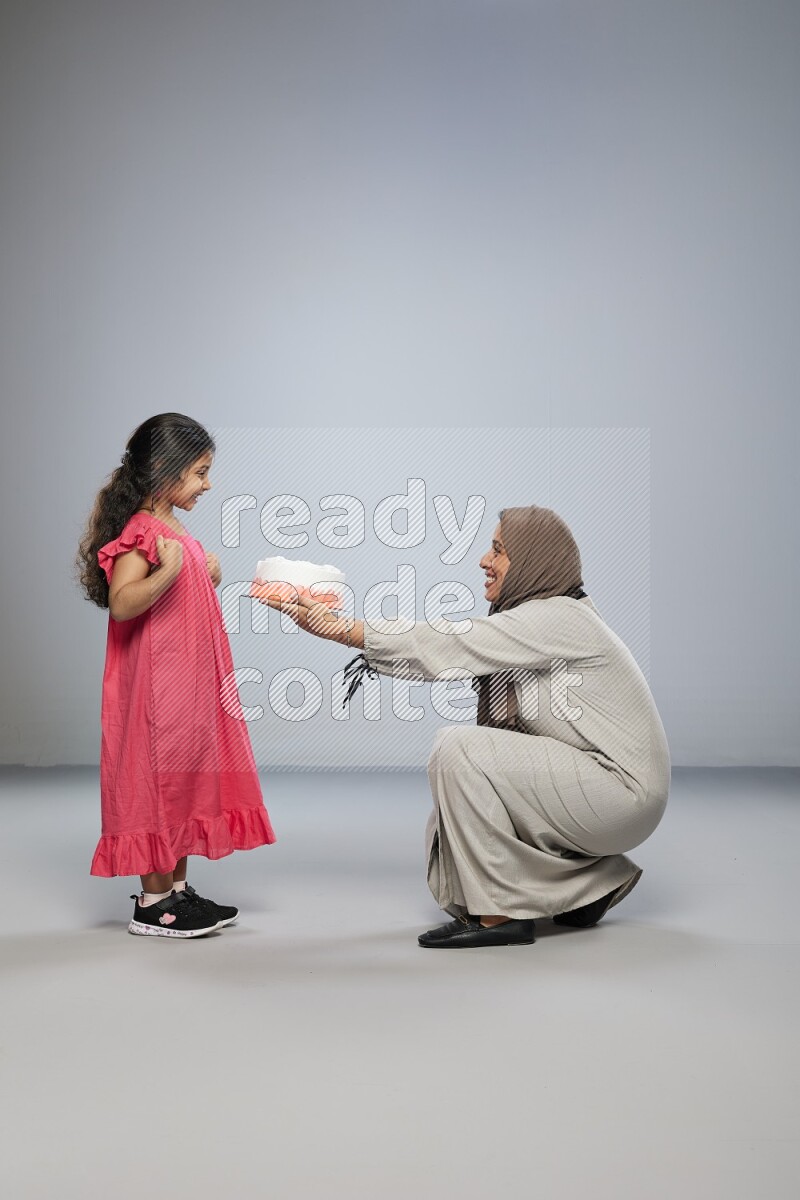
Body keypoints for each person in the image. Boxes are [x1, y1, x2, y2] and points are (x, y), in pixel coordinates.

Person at [258, 504, 670, 949]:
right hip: (612, 792)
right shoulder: (548, 616)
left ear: (533, 560)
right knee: (486, 765)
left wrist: (344, 630)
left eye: (498, 550)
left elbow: (452, 643)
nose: (483, 561)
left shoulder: (558, 616)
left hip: (620, 794)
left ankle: (499, 916)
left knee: (461, 751)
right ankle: (583, 891)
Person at [75, 413, 276, 938]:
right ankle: (153, 902)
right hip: (155, 691)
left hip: (186, 687)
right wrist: (168, 571)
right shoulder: (141, 528)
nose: (208, 484)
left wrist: (202, 570)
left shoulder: (172, 525)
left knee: (184, 781)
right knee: (155, 781)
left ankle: (179, 894)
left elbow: (180, 587)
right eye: (201, 472)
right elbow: (122, 604)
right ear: (166, 470)